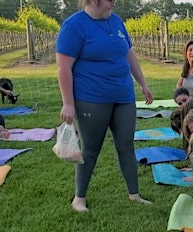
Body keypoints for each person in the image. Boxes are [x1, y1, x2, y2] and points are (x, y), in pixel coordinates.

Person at [56, 0, 153, 212]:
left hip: (123, 97)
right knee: (90, 149)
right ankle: (79, 199)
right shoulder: (74, 26)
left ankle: (134, 194)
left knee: (126, 145)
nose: (114, 2)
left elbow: (129, 54)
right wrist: (68, 104)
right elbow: (64, 68)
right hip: (91, 98)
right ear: (93, 1)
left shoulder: (117, 21)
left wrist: (142, 83)